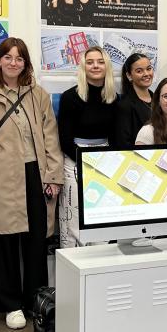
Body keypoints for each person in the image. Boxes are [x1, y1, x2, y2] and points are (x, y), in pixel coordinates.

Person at [0, 38, 63, 330]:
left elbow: (50, 137)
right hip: (0, 175)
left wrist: (53, 176)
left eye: (19, 58)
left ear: (26, 63)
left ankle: (37, 301)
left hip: (35, 172)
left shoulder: (38, 94)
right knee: (5, 240)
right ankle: (10, 305)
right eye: (7, 57)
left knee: (36, 240)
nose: (13, 63)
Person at [57, 46, 118, 248]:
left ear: (107, 65)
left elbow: (115, 136)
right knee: (73, 219)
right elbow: (64, 139)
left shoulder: (113, 98)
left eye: (100, 61)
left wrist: (105, 161)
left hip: (105, 162)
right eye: (90, 62)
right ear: (83, 66)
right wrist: (86, 161)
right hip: (74, 160)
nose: (95, 66)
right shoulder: (70, 97)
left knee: (102, 218)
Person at [114, 53, 153, 148]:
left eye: (149, 69)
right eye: (139, 71)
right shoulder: (124, 105)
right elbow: (122, 144)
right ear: (129, 76)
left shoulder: (159, 99)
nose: (146, 74)